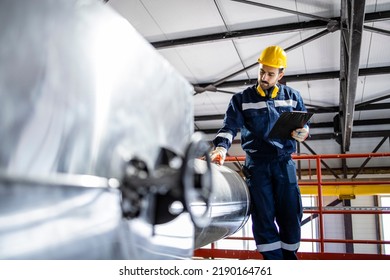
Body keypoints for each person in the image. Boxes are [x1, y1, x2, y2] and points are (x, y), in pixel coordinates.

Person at [210, 45, 309, 260]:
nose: (264, 77)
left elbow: (303, 124)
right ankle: (273, 262)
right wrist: (220, 148)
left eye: (270, 74)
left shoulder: (293, 97)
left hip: (285, 163)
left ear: (281, 74)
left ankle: (290, 258)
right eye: (261, 71)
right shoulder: (241, 100)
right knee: (263, 214)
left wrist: (303, 132)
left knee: (291, 212)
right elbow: (229, 128)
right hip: (258, 165)